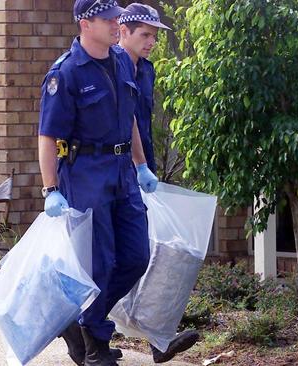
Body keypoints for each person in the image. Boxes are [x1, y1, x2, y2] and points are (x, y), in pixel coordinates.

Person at [37, 0, 159, 365]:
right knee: (100, 263)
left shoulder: (121, 61)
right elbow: (47, 135)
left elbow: (130, 117)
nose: (115, 23)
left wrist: (141, 166)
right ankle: (95, 345)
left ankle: (82, 323)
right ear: (85, 23)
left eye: (117, 17)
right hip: (86, 171)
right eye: (108, 19)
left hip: (123, 170)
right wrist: (50, 189)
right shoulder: (66, 72)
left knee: (137, 257)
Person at [117, 3, 200, 363]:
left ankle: (156, 338)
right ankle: (80, 329)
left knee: (153, 253)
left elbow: (143, 124)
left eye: (154, 35)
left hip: (140, 170)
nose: (151, 42)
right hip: (112, 172)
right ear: (124, 32)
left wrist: (145, 168)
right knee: (119, 256)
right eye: (145, 35)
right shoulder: (109, 65)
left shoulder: (146, 70)